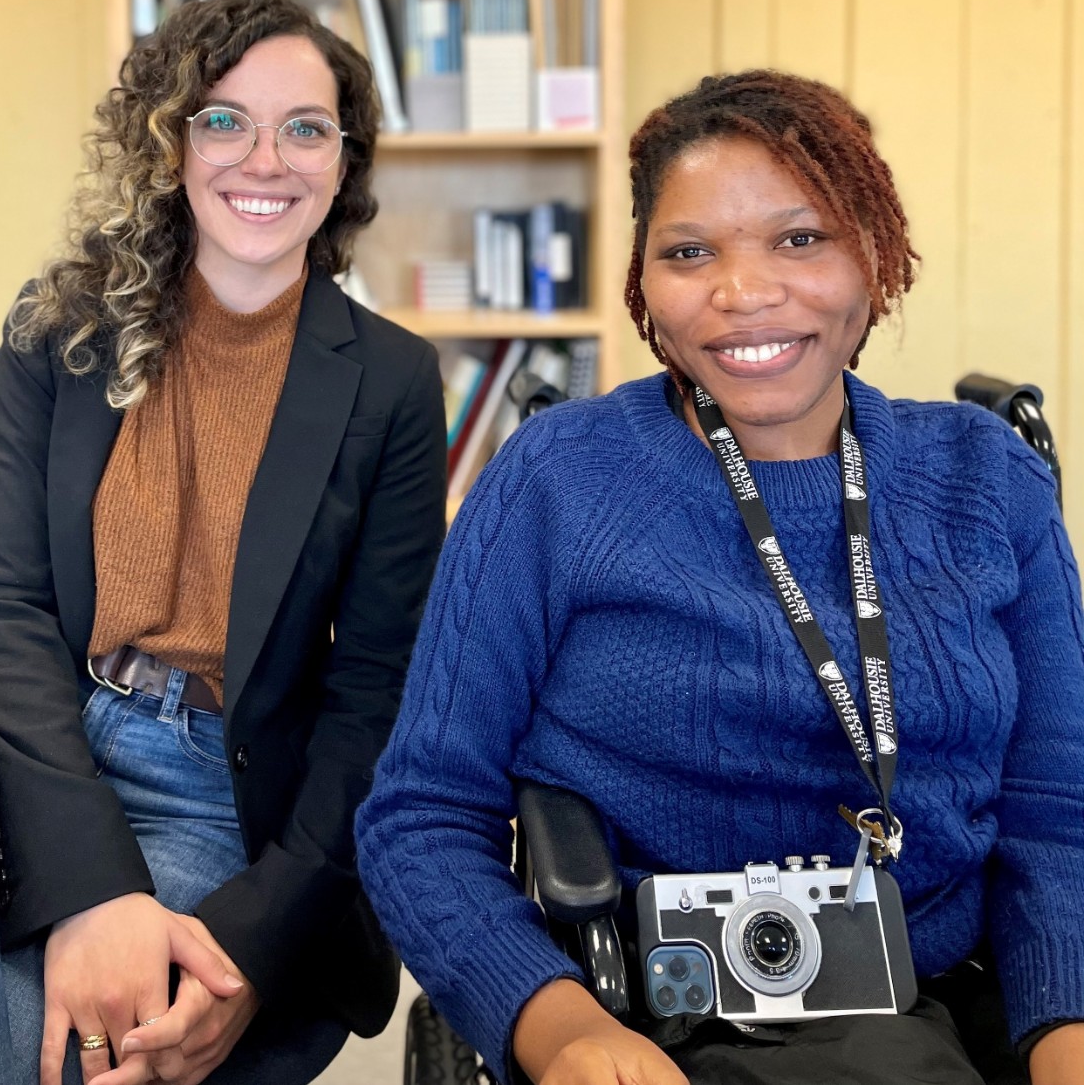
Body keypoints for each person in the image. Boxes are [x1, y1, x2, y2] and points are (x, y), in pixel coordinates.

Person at [356, 70, 1084, 1085]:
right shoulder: (557, 479)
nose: (742, 291)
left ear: (872, 257)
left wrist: (1062, 1037)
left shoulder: (984, 475)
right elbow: (420, 815)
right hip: (671, 1013)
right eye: (689, 252)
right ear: (642, 285)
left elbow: (1059, 819)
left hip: (972, 993)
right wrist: (560, 1029)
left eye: (799, 239)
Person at [0, 0, 445, 1085]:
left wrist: (250, 935)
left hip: (211, 782)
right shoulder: (61, 326)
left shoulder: (388, 380)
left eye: (305, 127)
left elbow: (374, 696)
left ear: (343, 164)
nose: (265, 158)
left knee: (76, 1049)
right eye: (223, 120)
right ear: (171, 140)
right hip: (24, 727)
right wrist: (96, 889)